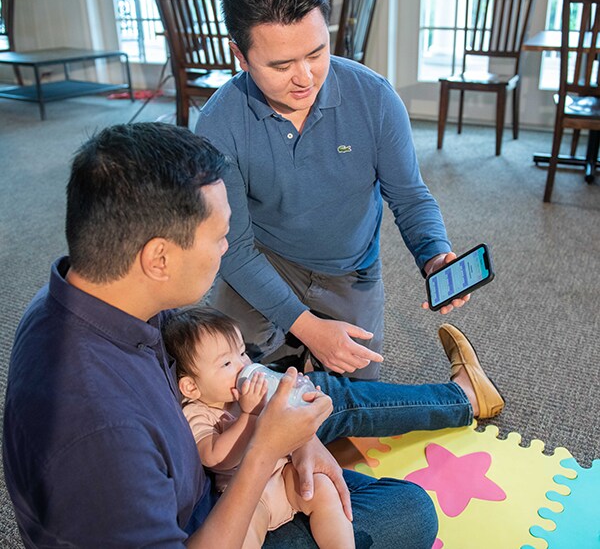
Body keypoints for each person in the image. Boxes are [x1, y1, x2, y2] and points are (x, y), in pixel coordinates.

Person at [3, 121, 502, 549]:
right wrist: (266, 449)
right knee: (408, 511)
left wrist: (296, 437)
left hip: (207, 451)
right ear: (158, 258)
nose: (227, 247)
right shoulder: (99, 434)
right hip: (210, 515)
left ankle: (460, 398)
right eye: (219, 236)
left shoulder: (83, 293)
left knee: (316, 396)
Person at [194, 0, 470, 380]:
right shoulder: (219, 123)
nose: (305, 78)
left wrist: (433, 254)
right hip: (264, 260)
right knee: (222, 384)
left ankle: (463, 391)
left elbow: (410, 196)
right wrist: (309, 328)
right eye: (281, 65)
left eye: (316, 53)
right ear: (240, 55)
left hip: (351, 270)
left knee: (355, 401)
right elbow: (233, 247)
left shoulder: (375, 98)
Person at [162, 306, 355, 549]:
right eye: (227, 363)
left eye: (242, 353)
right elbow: (215, 458)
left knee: (324, 489)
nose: (243, 365)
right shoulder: (196, 412)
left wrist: (298, 397)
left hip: (285, 475)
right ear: (191, 387)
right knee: (243, 537)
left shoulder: (255, 390)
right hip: (250, 499)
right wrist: (249, 415)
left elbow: (291, 422)